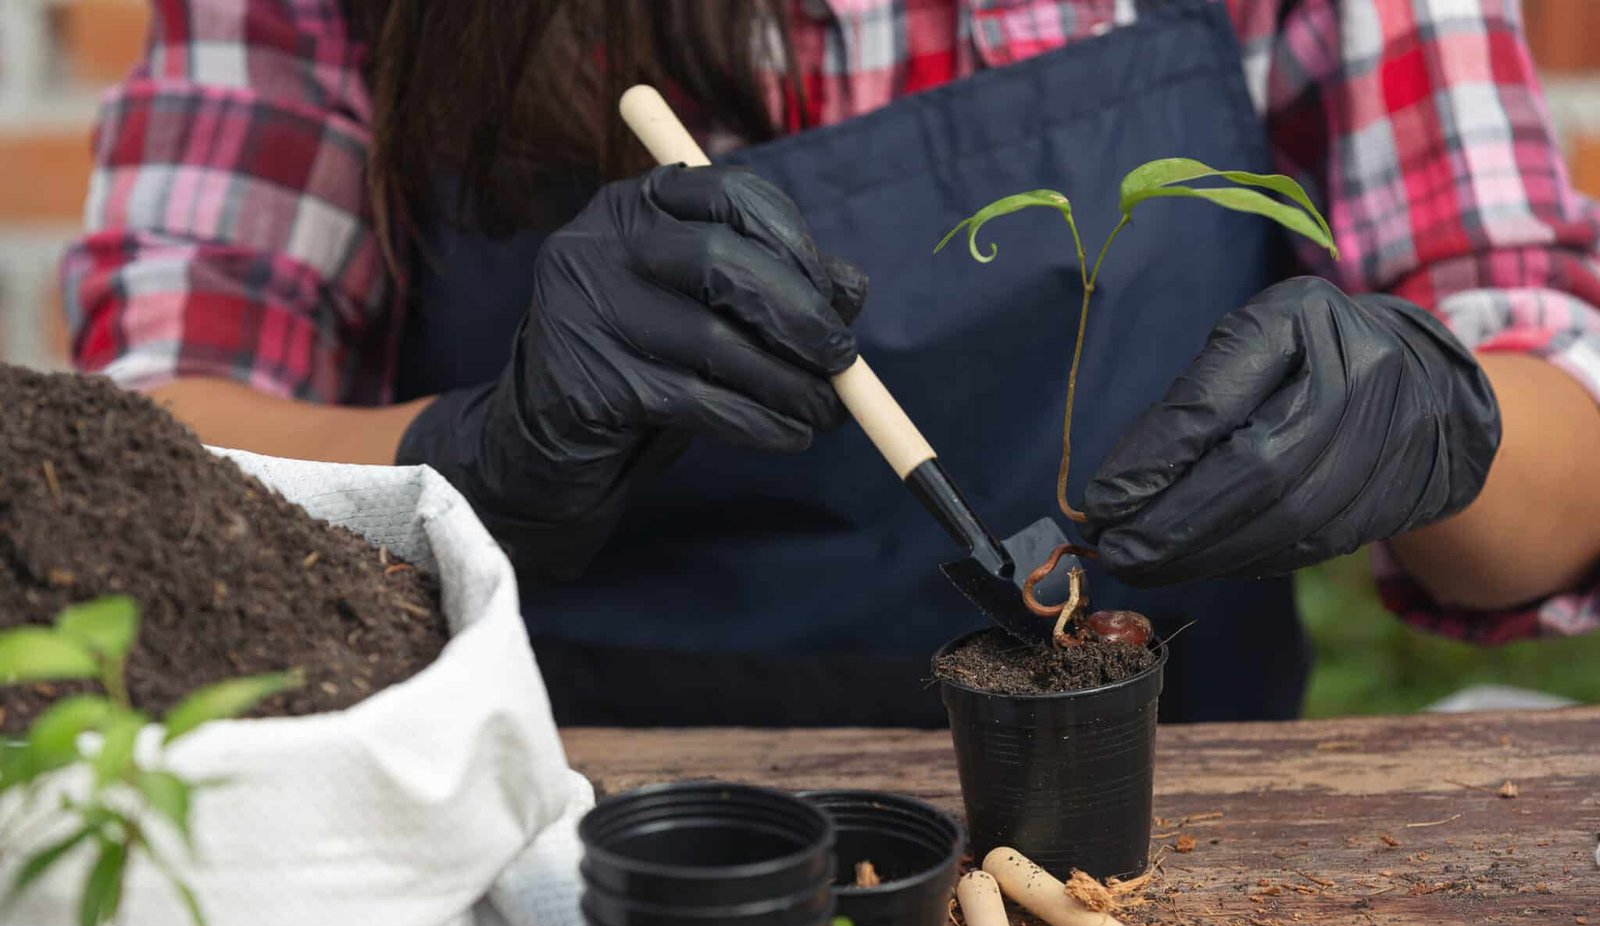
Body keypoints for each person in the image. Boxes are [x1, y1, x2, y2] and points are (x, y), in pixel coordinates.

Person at [64, 0, 1600, 727]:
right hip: (569, 834)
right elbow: (116, 475)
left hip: (1163, 835)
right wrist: (472, 453)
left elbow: (1563, 457)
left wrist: (1440, 420)